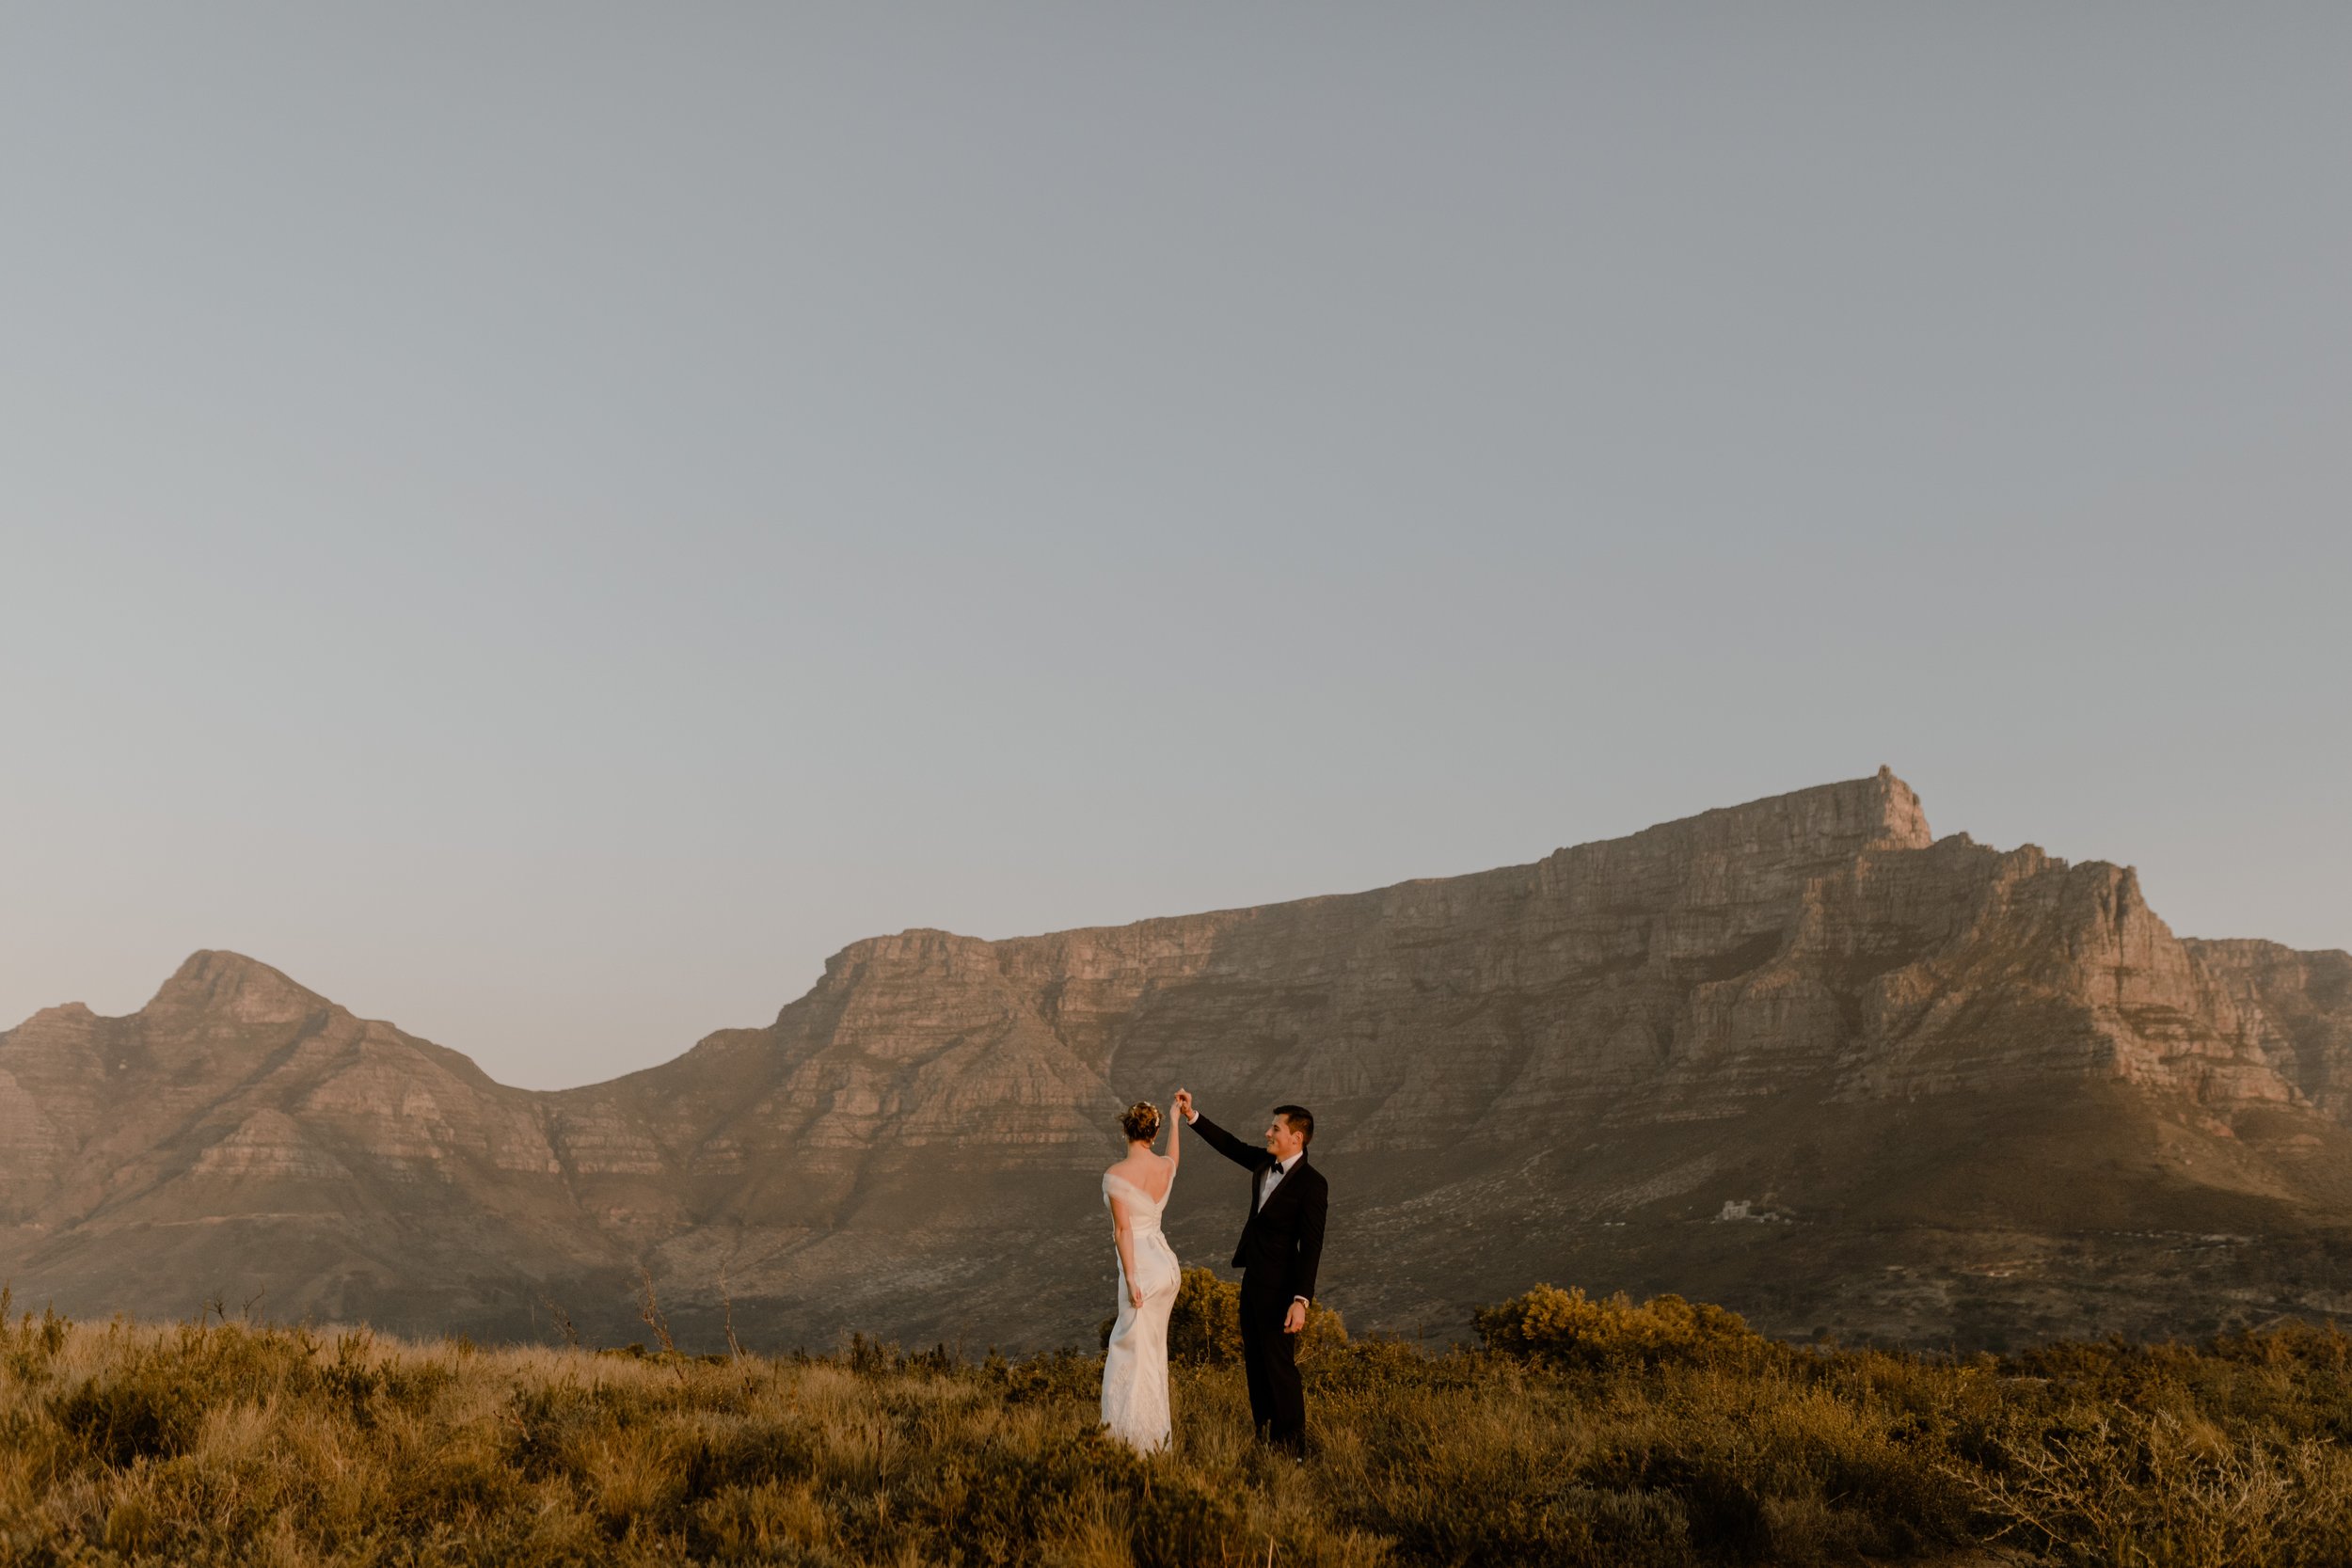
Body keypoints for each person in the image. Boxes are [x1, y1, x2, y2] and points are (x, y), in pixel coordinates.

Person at [1171, 1088, 1327, 1457]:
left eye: (1275, 1128)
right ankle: (1266, 1437)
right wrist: (1193, 1115)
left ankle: (1294, 1449)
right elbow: (1230, 1145)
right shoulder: (1262, 1163)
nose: (1268, 1134)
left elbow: (1312, 1246)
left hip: (1282, 1291)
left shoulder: (1313, 1184)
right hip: (1252, 1283)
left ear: (1296, 1138)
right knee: (1255, 1366)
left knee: (1280, 1369)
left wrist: (1301, 1300)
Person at [1100, 1099, 1182, 1453]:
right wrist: (1177, 1122)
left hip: (1141, 1271)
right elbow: (1174, 1159)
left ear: (1125, 1129)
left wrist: (1132, 1280)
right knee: (1152, 1352)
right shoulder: (1164, 1167)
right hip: (1166, 1268)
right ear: (1155, 1132)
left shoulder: (1116, 1175)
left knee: (1127, 1353)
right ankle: (1154, 1435)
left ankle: (1129, 1441)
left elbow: (1122, 1231)